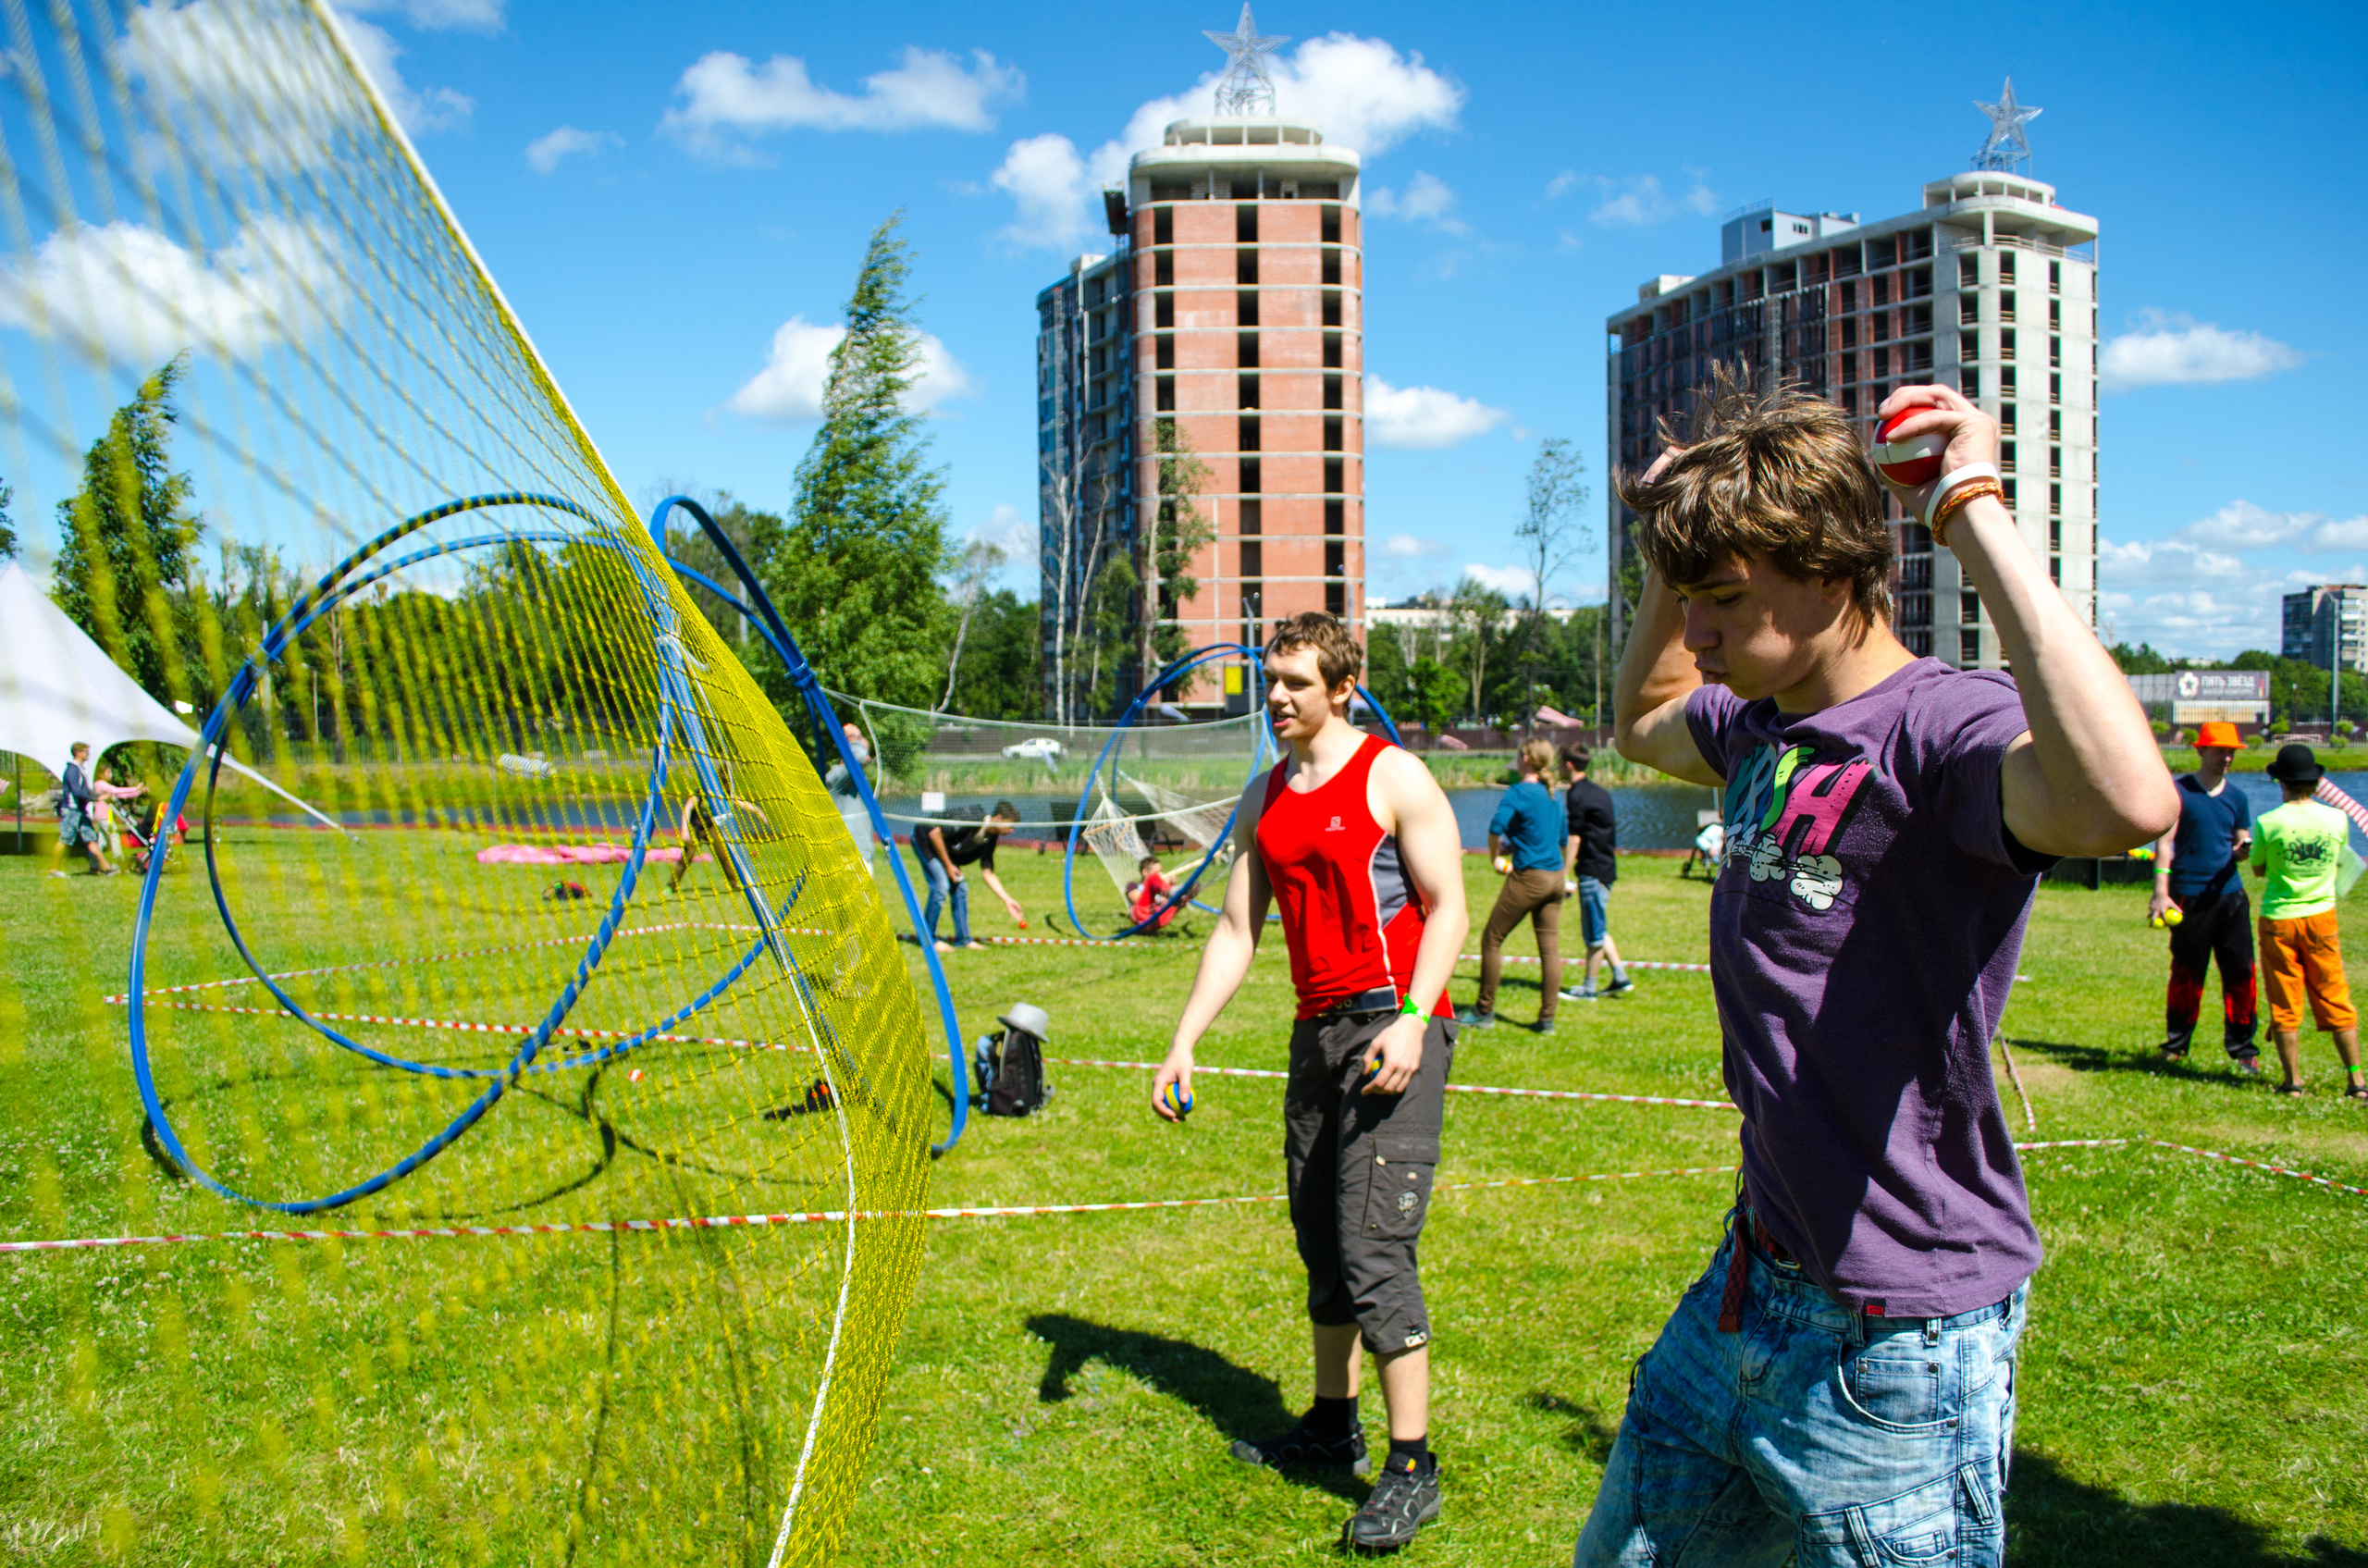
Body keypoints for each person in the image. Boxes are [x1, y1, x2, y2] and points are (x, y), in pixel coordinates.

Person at [1579, 375, 2175, 1568]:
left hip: (1900, 1329)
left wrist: (1971, 505)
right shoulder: (1758, 725)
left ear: (1835, 572)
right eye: (1687, 602)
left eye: (1723, 601)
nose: (1694, 635)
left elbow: (2126, 801)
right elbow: (1641, 718)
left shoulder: (1943, 728)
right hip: (1755, 1275)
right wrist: (1672, 541)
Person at [1151, 611, 1467, 1554]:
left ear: (1340, 688)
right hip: (1313, 1036)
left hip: (1393, 1025)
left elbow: (1449, 906)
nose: (1276, 697)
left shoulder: (1391, 774)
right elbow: (1237, 932)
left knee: (1374, 1250)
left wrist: (1413, 1019)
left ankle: (1412, 1466)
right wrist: (1183, 1041)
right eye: (1270, 680)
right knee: (1321, 1243)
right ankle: (1334, 1422)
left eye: (1294, 682)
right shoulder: (1265, 797)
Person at [2248, 743, 2366, 1101]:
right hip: (2321, 916)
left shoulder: (2268, 822)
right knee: (2335, 995)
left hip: (2279, 919)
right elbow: (2338, 859)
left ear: (2279, 782)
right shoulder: (2336, 819)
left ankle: (2293, 1082)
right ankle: (2357, 1081)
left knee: (2284, 1001)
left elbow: (2258, 868)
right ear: (2315, 782)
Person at [2149, 720, 2261, 1072]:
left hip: (2229, 895)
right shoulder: (2178, 793)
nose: (2227, 758)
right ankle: (2176, 1045)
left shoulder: (2238, 797)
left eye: (2232, 752)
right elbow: (2164, 845)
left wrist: (2244, 850)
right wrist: (2160, 892)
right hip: (2189, 897)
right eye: (2220, 751)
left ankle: (2244, 1050)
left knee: (2241, 973)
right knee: (2186, 973)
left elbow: (2241, 838)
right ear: (2201, 751)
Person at [1457, 737, 1566, 1031]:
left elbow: (1495, 827)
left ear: (1525, 760)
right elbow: (1561, 839)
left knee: (1491, 939)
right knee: (1550, 950)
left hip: (1530, 878)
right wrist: (1514, 845)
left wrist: (1495, 857)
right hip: (1556, 878)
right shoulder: (1554, 794)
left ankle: (1483, 1012)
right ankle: (1547, 1021)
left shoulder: (1518, 792)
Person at [1557, 744, 1634, 1003]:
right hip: (1606, 867)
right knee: (1599, 927)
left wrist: (1564, 874)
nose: (1557, 767)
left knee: (1593, 934)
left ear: (1568, 765)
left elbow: (1575, 839)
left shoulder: (1577, 794)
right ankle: (1620, 977)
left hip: (1591, 870)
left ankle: (1588, 989)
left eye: (1559, 763)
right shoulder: (1599, 792)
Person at [915, 799, 1024, 950]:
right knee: (941, 885)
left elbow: (987, 873)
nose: (1012, 830)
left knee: (961, 888)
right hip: (925, 839)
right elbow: (934, 834)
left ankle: (963, 940)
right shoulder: (971, 818)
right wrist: (948, 865)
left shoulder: (991, 838)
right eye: (1010, 826)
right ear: (998, 818)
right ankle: (928, 940)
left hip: (944, 850)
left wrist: (1007, 900)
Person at [823, 722, 877, 869]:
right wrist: (853, 735)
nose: (868, 758)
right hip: (846, 859)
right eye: (865, 753)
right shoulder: (838, 779)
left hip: (861, 857)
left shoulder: (858, 782)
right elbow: (858, 757)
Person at [55, 742, 114, 874]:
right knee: (64, 840)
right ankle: (54, 870)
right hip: (71, 811)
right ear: (78, 753)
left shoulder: (79, 770)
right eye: (86, 751)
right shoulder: (72, 771)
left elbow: (86, 791)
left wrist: (100, 795)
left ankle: (106, 868)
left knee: (90, 838)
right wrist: (98, 798)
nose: (88, 753)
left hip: (80, 811)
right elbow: (77, 792)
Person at [1126, 853, 1178, 932]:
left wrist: (1170, 886)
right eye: (1157, 872)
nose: (1160, 875)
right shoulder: (1133, 885)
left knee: (1180, 896)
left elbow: (1165, 903)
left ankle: (1182, 893)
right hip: (1142, 917)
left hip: (1158, 917)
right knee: (1152, 879)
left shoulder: (1159, 887)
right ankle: (1171, 892)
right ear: (1145, 872)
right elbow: (1137, 901)